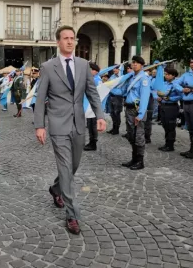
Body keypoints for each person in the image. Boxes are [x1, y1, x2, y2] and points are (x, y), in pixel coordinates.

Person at [34, 26, 106, 235]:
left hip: (78, 124)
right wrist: (40, 125)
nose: (69, 41)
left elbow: (92, 93)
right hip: (57, 125)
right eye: (65, 38)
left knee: (73, 166)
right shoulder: (48, 67)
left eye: (72, 38)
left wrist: (100, 115)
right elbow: (40, 99)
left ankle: (56, 189)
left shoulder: (84, 65)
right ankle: (72, 215)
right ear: (58, 42)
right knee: (66, 169)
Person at [120, 56, 151, 170]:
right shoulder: (131, 77)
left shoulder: (144, 79)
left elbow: (144, 98)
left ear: (142, 65)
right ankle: (134, 158)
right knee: (131, 135)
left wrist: (141, 114)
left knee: (138, 136)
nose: (134, 65)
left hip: (137, 110)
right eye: (133, 63)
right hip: (129, 109)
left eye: (137, 63)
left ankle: (140, 161)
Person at [157, 68, 181, 151]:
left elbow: (181, 96)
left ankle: (170, 145)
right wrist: (159, 98)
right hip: (163, 105)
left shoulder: (176, 84)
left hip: (171, 107)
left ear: (173, 75)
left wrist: (170, 98)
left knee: (170, 126)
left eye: (168, 74)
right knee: (165, 125)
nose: (166, 76)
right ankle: (167, 143)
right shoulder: (164, 83)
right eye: (165, 74)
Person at [84, 62, 102, 151]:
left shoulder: (96, 80)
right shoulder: (92, 79)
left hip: (93, 106)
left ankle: (93, 142)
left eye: (90, 70)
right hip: (89, 105)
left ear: (95, 71)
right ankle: (91, 141)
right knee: (89, 124)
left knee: (93, 125)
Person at [107, 66, 123, 135]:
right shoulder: (112, 76)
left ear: (119, 69)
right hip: (111, 96)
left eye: (116, 68)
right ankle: (113, 128)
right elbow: (108, 84)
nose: (114, 70)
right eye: (114, 69)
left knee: (117, 113)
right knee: (112, 113)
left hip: (118, 97)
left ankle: (116, 129)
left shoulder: (122, 77)